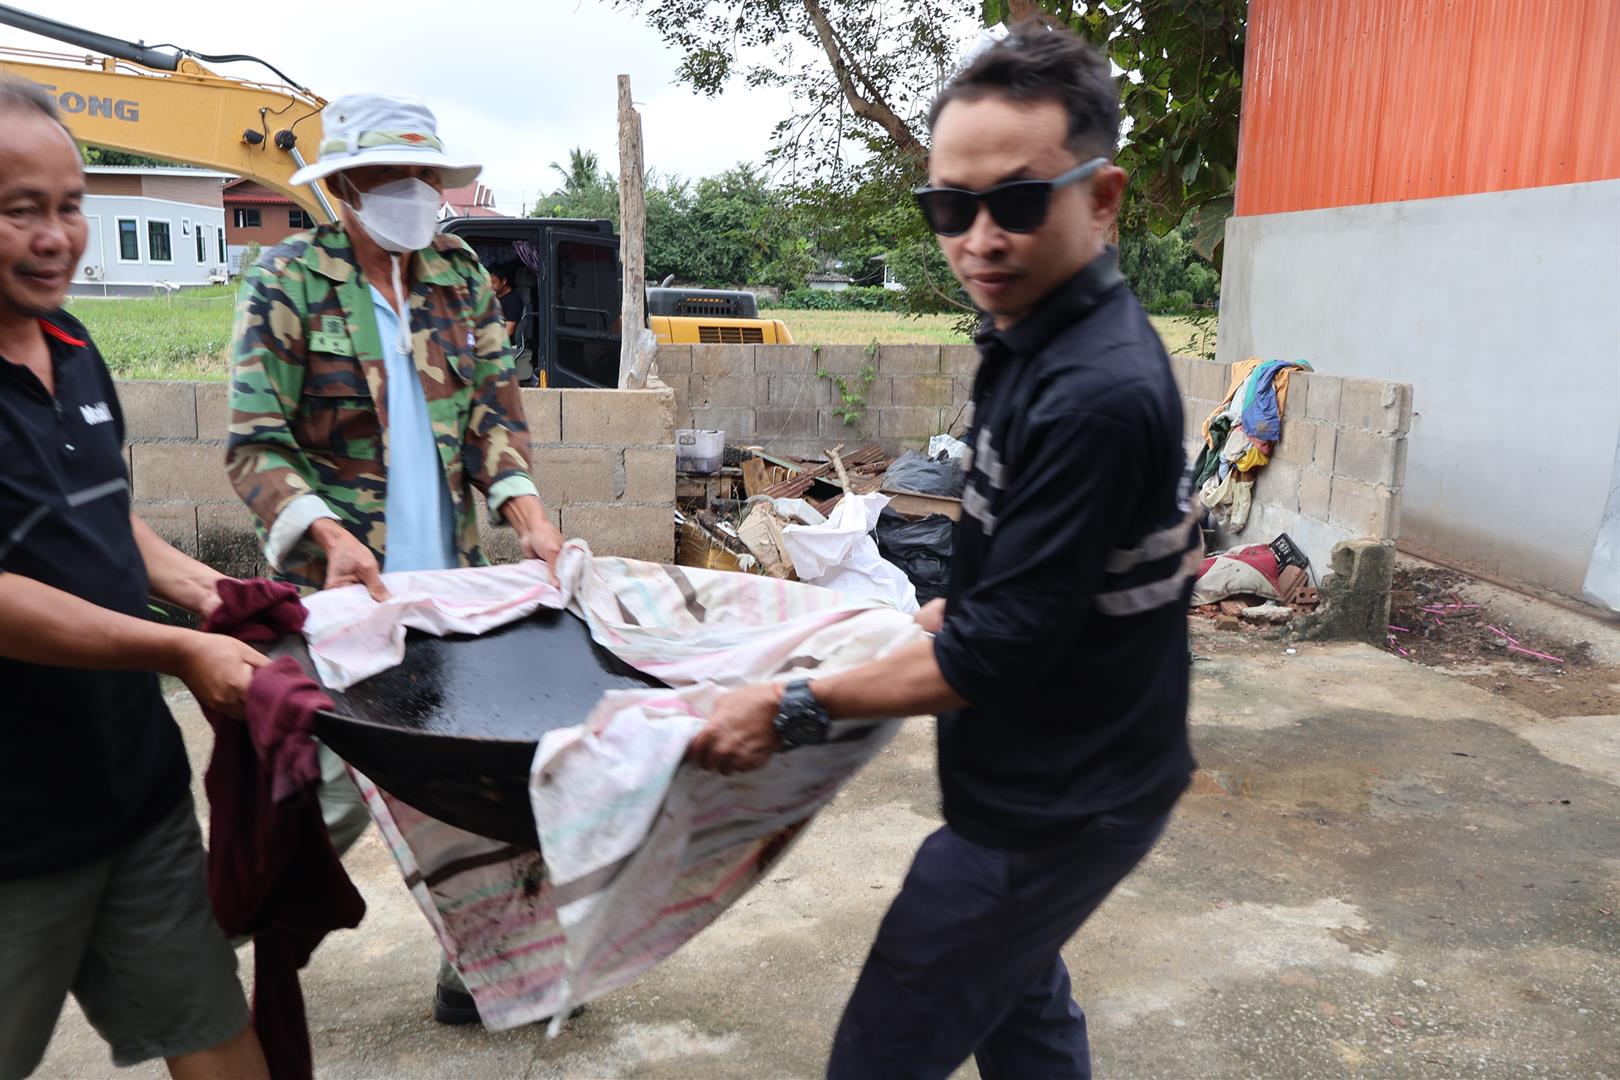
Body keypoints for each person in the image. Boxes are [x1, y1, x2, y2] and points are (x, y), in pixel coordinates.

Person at [685, 25, 1199, 1079]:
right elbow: (1051, 569)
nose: (980, 239)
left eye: (1019, 201)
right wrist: (966, 604)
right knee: (1023, 1014)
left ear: (1102, 199)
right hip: (1057, 764)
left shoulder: (1092, 390)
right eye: (950, 208)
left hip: (1057, 797)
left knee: (884, 1051)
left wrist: (790, 706)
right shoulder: (1030, 337)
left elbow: (994, 657)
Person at [226, 92, 564, 1025]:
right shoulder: (289, 281)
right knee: (318, 804)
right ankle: (199, 948)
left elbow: (494, 418)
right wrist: (328, 535)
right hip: (339, 602)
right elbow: (255, 445)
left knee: (478, 788)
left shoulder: (458, 274)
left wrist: (527, 513)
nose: (412, 193)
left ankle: (486, 972)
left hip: (450, 599)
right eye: (389, 178)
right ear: (342, 188)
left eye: (423, 176)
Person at [0, 76, 270, 1080]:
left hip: (134, 797)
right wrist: (178, 648)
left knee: (214, 1031)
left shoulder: (73, 348)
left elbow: (100, 519)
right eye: (20, 210)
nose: (55, 237)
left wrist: (208, 594)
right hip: (14, 834)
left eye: (70, 206)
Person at [489, 263, 537, 386]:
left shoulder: (513, 300)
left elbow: (509, 331)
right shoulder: (496, 297)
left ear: (504, 281)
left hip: (506, 344)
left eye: (494, 282)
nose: (490, 286)